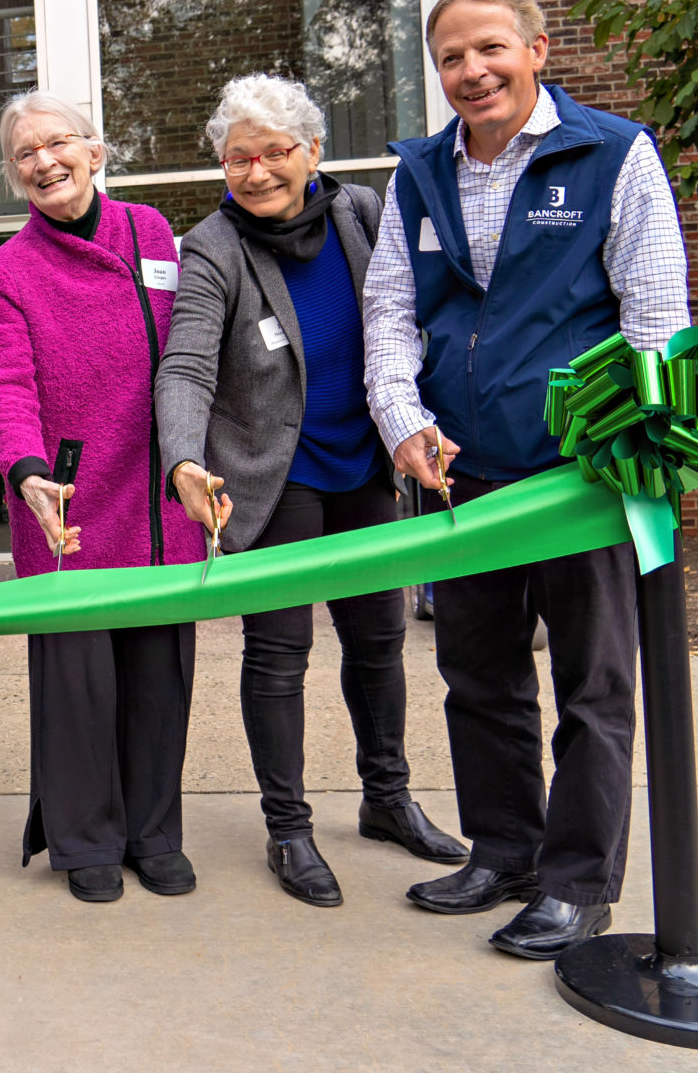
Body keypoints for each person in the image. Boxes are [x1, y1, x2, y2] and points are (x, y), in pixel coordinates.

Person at [364, 0, 689, 958]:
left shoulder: (615, 154)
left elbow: (657, 316)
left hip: (580, 481)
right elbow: (391, 312)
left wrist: (635, 455)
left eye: (490, 49)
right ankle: (504, 847)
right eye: (452, 58)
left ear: (536, 50)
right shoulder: (419, 175)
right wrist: (402, 419)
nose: (472, 71)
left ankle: (579, 881)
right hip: (461, 477)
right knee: (478, 672)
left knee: (594, 683)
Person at [155, 75, 468, 908]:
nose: (255, 173)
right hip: (275, 474)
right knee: (280, 653)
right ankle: (288, 828)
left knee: (379, 642)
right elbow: (185, 364)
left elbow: (405, 318)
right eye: (237, 159)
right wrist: (184, 461)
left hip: (364, 465)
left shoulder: (360, 214)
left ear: (313, 153)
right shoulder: (212, 247)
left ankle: (387, 799)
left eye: (274, 154)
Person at [0, 90, 205, 905]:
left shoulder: (150, 232)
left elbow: (190, 348)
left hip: (154, 494)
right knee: (78, 687)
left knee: (158, 675)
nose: (44, 162)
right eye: (25, 155)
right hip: (64, 501)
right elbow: (4, 382)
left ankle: (153, 832)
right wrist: (27, 468)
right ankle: (85, 839)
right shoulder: (11, 268)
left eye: (57, 144)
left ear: (96, 151)